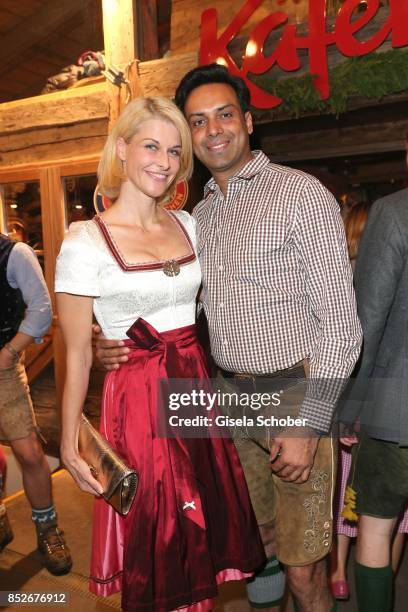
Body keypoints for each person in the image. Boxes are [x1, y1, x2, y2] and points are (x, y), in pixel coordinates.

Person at [95, 65, 362, 612]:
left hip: (293, 393)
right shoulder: (196, 218)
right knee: (245, 549)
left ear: (248, 120)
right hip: (224, 400)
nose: (213, 130)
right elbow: (176, 305)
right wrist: (113, 339)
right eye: (197, 121)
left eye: (223, 115)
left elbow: (340, 323)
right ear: (187, 136)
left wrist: (307, 419)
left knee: (305, 567)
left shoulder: (300, 195)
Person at [55, 96, 265, 612]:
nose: (164, 162)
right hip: (139, 401)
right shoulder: (85, 242)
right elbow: (78, 353)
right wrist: (68, 443)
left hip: (197, 394)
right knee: (160, 539)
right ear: (121, 150)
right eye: (151, 146)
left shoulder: (190, 225)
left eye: (174, 151)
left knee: (200, 537)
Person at [340, 135, 408, 612]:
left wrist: (350, 406)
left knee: (377, 527)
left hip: (396, 412)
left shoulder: (394, 211)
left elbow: (368, 317)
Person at [0, 233, 72, 574]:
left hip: (2, 370)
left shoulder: (14, 252)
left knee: (28, 452)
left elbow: (42, 308)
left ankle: (47, 529)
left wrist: (9, 352)